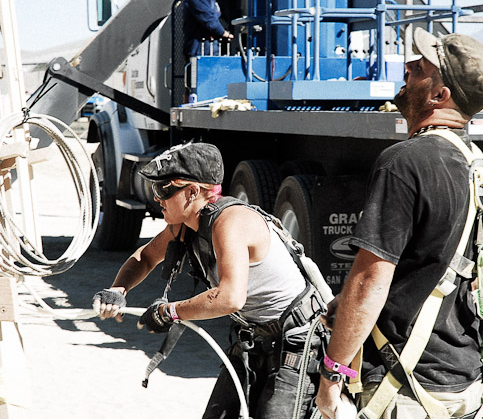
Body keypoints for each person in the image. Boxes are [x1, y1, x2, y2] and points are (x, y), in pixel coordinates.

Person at [315, 28, 483, 419]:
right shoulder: (480, 169)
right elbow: (436, 265)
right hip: (460, 380)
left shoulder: (403, 161)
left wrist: (333, 374)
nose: (407, 67)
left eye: (420, 68)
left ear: (439, 96)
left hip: (406, 386)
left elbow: (371, 281)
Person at [92, 142, 329, 419]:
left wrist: (169, 312)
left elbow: (230, 297)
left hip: (297, 341)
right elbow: (145, 257)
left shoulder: (230, 222)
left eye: (162, 190)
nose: (157, 199)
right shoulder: (185, 225)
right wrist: (117, 290)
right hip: (254, 339)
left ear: (193, 192)